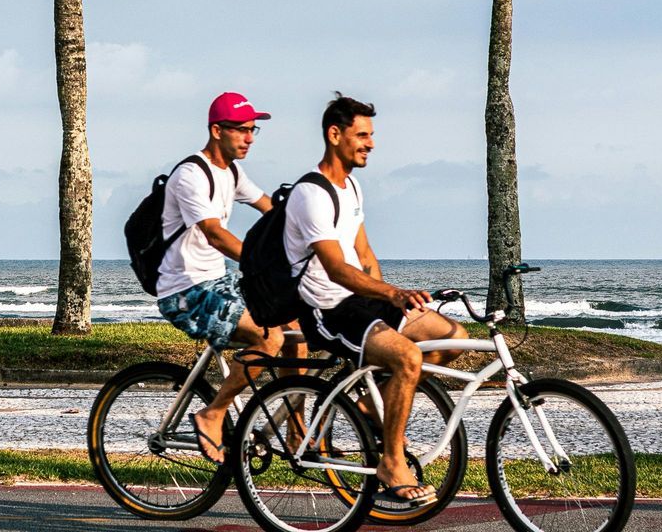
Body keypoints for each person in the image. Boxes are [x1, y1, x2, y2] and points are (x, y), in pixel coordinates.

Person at [284, 93, 465, 506]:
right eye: (362, 134)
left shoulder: (351, 187)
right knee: (407, 359)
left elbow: (364, 256)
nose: (371, 143)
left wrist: (392, 306)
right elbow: (334, 268)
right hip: (327, 309)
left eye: (372, 135)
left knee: (452, 336)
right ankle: (392, 461)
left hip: (360, 302)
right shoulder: (312, 193)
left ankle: (370, 403)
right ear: (335, 134)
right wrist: (392, 295)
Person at [154, 90, 284, 464]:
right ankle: (213, 414)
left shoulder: (233, 172)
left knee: (295, 323)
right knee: (268, 335)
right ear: (216, 130)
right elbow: (215, 233)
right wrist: (260, 262)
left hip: (219, 281)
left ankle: (295, 429)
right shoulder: (191, 175)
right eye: (241, 130)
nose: (249, 138)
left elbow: (270, 210)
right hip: (186, 291)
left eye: (253, 130)